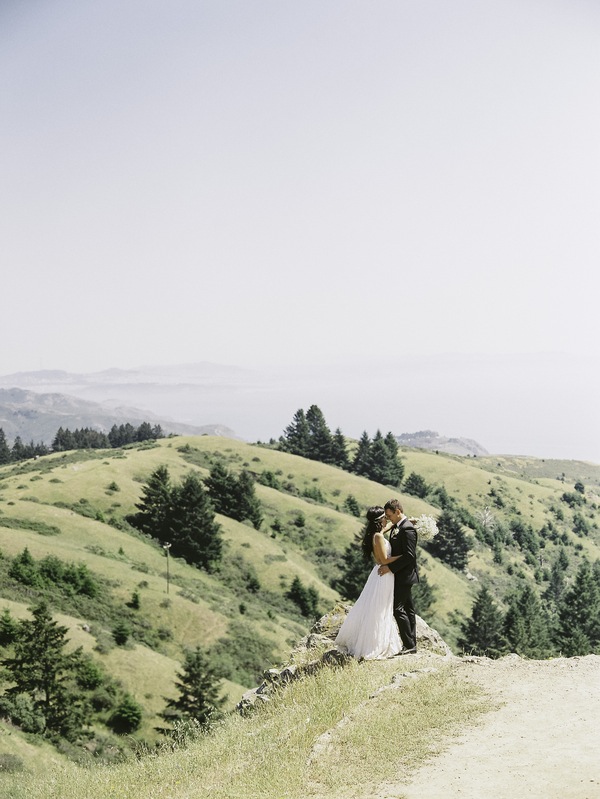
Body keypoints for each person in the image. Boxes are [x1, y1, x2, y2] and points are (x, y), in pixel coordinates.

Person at [335, 506, 403, 659]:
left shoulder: (375, 534)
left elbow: (387, 527)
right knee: (380, 608)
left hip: (379, 574)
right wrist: (404, 557)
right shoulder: (378, 536)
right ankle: (374, 643)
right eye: (385, 517)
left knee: (376, 606)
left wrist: (405, 521)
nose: (387, 519)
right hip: (384, 575)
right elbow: (384, 560)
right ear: (380, 520)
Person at [378, 498, 419, 653]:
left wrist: (390, 567)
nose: (389, 518)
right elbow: (393, 525)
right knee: (408, 609)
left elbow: (409, 555)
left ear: (398, 511)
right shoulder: (399, 525)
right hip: (401, 574)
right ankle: (411, 644)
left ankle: (409, 645)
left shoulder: (407, 529)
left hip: (404, 574)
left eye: (390, 515)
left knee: (398, 608)